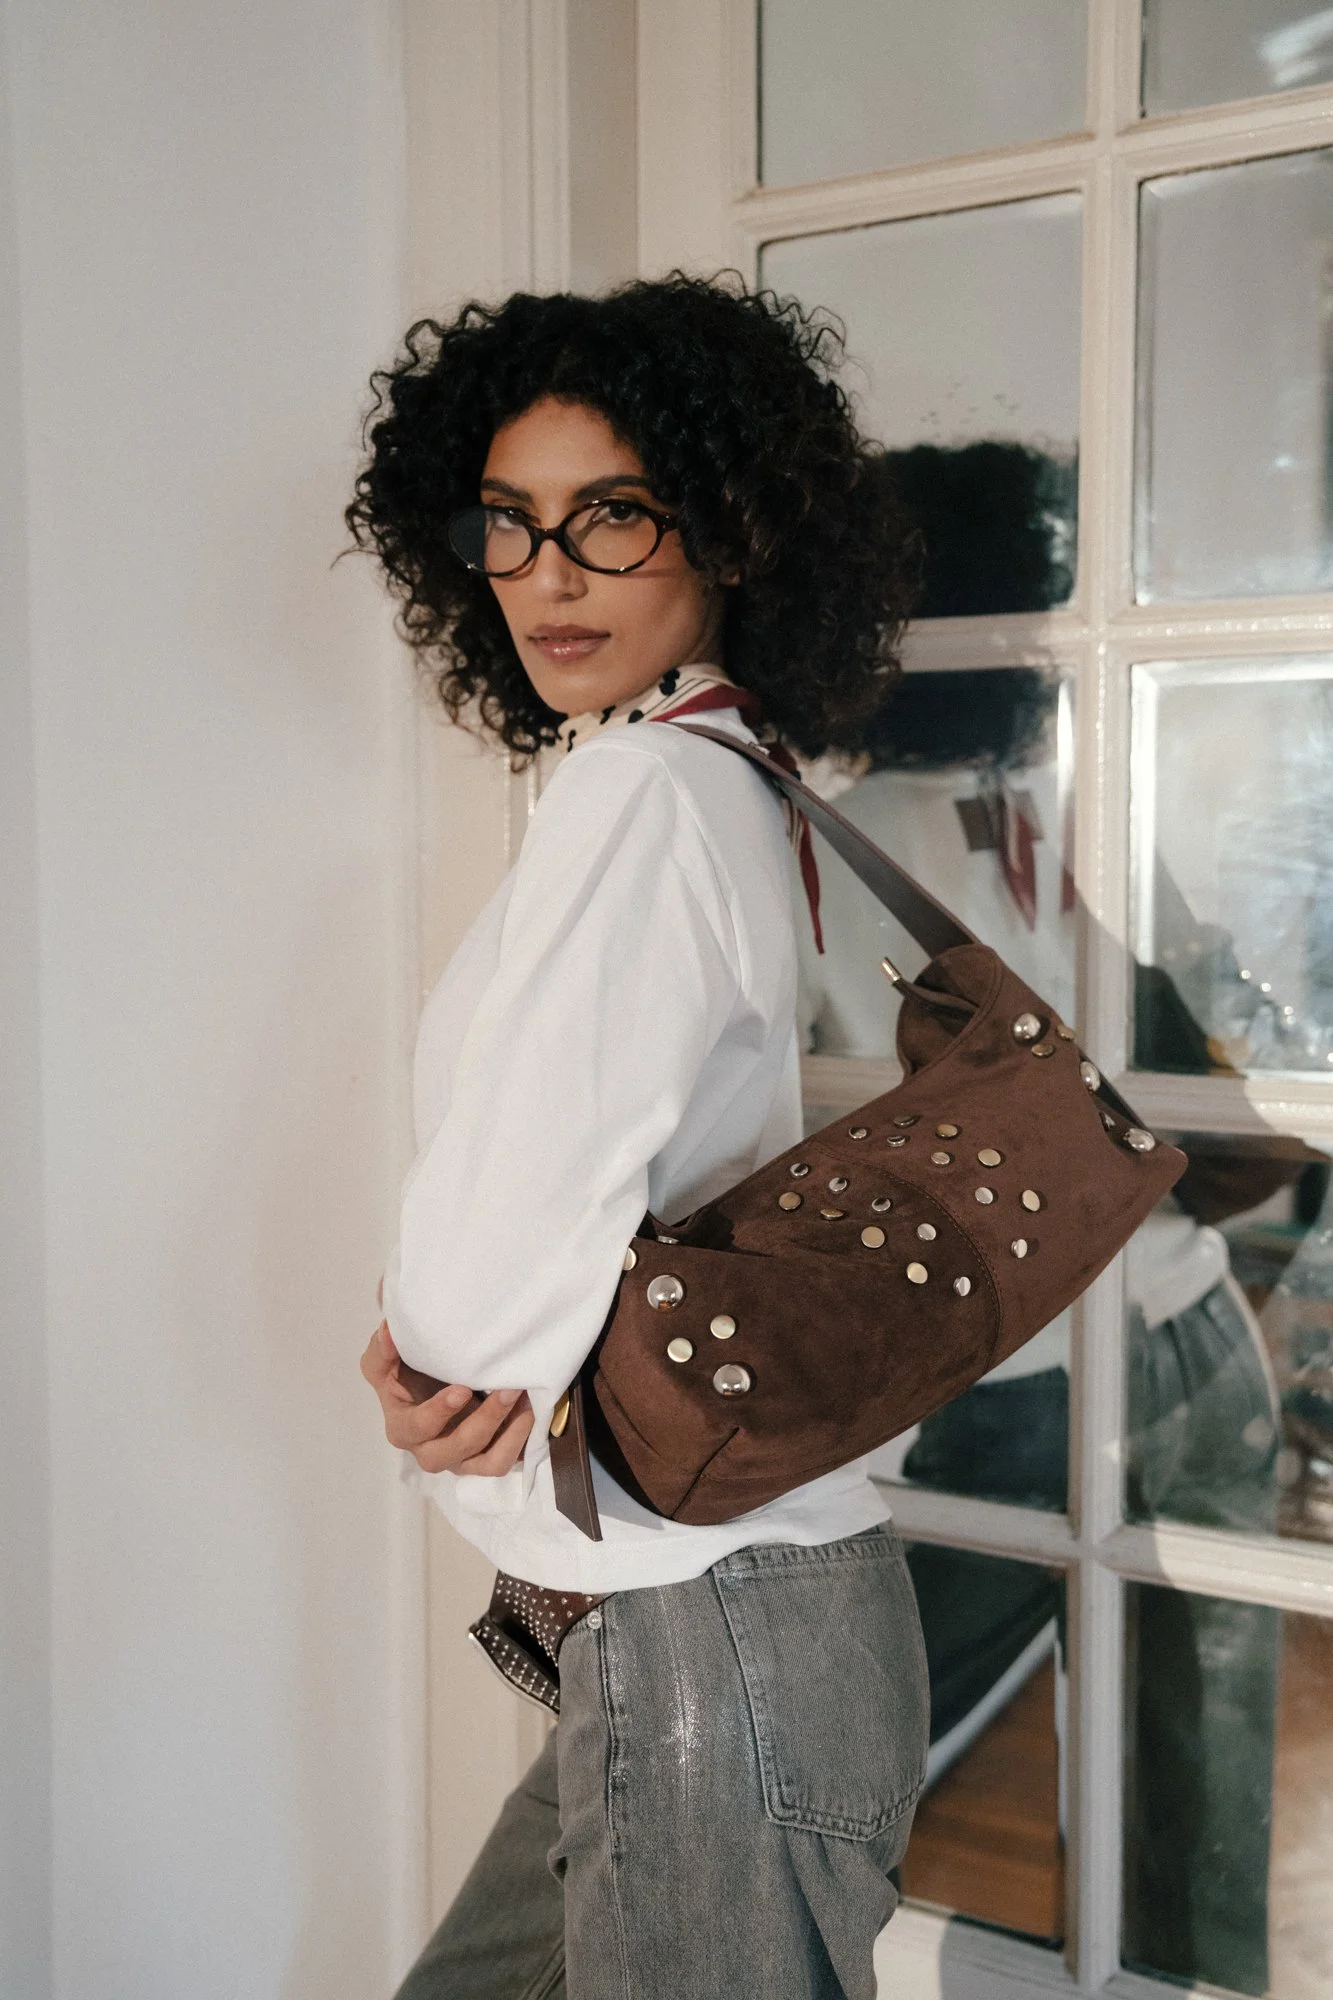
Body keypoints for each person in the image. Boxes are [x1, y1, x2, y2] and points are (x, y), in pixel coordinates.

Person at [346, 275, 929, 2000]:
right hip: (702, 1624)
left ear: (730, 526)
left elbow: (513, 1214)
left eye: (612, 514)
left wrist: (432, 1371)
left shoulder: (645, 793)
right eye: (510, 525)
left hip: (714, 1635)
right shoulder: (723, 770)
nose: (547, 574)